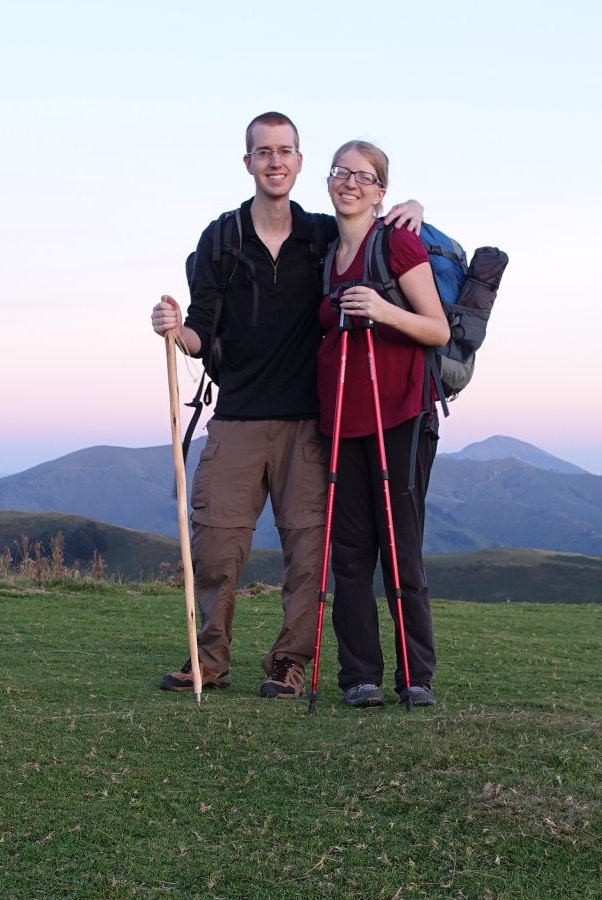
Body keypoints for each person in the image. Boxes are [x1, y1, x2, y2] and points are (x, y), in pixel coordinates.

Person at [150, 113, 422, 699]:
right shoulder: (219, 238)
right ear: (247, 162)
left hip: (309, 422)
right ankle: (209, 660)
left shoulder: (323, 235)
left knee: (307, 552)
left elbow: (381, 235)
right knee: (217, 544)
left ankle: (289, 663)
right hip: (238, 416)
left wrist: (414, 207)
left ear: (300, 163)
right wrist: (175, 332)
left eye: (286, 151)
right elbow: (201, 333)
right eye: (263, 151)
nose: (275, 161)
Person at [316, 140, 449, 708]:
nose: (350, 182)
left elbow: (437, 329)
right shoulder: (325, 249)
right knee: (348, 552)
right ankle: (360, 677)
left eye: (364, 176)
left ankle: (416, 676)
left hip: (399, 412)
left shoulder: (397, 240)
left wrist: (381, 309)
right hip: (344, 419)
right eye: (341, 172)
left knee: (400, 547)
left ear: (381, 191)